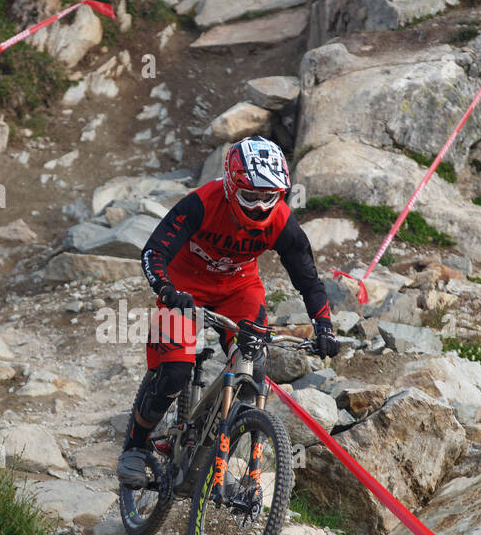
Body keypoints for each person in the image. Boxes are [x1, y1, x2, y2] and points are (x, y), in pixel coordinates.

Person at [117, 135, 340, 486]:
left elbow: (307, 277)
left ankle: (214, 456)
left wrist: (324, 325)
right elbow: (153, 251)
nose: (258, 208)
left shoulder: (282, 220)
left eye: (269, 198)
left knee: (253, 374)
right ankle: (135, 445)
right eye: (249, 197)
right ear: (229, 187)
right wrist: (165, 289)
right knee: (174, 372)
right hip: (183, 288)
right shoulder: (201, 204)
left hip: (238, 289)